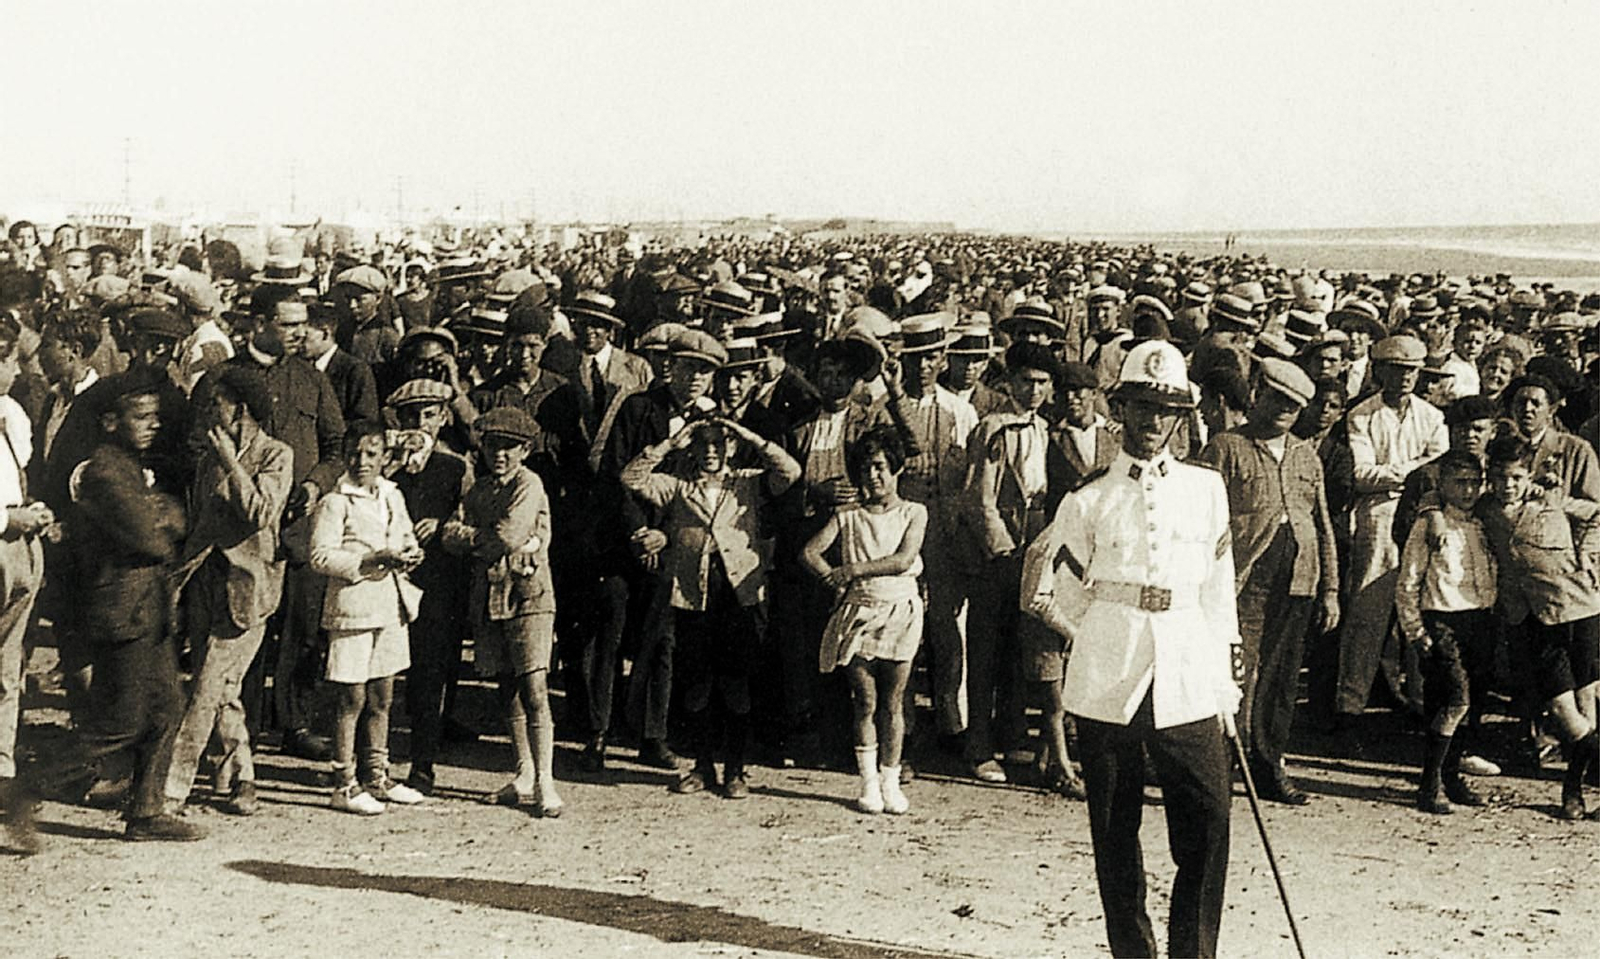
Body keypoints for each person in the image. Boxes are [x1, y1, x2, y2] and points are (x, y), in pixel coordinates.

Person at [1022, 339, 1240, 959]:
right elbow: (1054, 590)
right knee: (1115, 834)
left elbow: (1218, 594)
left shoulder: (1206, 490)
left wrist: (1227, 684)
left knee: (1207, 822)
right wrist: (1096, 636)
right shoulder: (1088, 498)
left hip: (1189, 675)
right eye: (1141, 406)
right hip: (1107, 681)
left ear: (1180, 417)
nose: (1152, 422)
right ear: (1120, 409)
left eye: (1164, 409)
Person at [3, 369, 202, 851]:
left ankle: (146, 811)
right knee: (119, 724)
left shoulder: (130, 467)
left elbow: (169, 520)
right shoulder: (106, 470)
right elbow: (153, 538)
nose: (152, 425)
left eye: (155, 416)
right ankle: (19, 791)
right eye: (141, 416)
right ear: (111, 421)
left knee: (167, 710)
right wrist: (166, 513)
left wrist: (165, 513)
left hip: (147, 610)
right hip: (122, 611)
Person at [622, 416, 800, 799]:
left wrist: (750, 433)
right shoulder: (679, 487)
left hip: (739, 592)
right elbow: (631, 478)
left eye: (719, 444)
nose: (711, 452)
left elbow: (790, 470)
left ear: (731, 447)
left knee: (736, 681)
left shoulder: (748, 481)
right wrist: (671, 442)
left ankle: (735, 769)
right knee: (697, 683)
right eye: (703, 444)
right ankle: (702, 766)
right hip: (693, 591)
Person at [1197, 358, 1339, 804]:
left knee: (1280, 679)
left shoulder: (1305, 454)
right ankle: (1217, 768)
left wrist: (1330, 588)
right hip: (1242, 580)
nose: (1283, 410)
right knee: (1235, 673)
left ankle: (1268, 764)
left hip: (1297, 579)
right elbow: (1202, 519)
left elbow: (1322, 524)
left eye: (1293, 406)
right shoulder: (1225, 447)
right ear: (1257, 393)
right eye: (1276, 398)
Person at [163, 366, 291, 818]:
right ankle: (242, 778)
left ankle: (172, 789)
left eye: (217, 401)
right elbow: (201, 526)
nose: (209, 409)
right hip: (204, 582)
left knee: (205, 687)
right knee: (222, 689)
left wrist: (234, 464)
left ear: (240, 408)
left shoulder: (277, 455)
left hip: (247, 589)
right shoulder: (206, 460)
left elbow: (260, 512)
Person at [442, 407, 564, 818]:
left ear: (525, 450)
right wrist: (483, 538)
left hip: (528, 596)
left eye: (509, 447)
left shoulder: (529, 485)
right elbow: (449, 534)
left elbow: (509, 536)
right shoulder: (479, 490)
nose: (500, 454)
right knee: (506, 687)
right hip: (490, 598)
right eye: (492, 446)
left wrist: (480, 538)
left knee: (534, 688)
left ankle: (546, 780)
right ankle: (523, 772)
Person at [804, 426, 927, 814]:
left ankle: (892, 781)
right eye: (865, 469)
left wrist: (851, 570)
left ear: (896, 469)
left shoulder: (914, 512)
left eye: (879, 468)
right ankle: (869, 783)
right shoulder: (848, 516)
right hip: (859, 613)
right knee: (865, 700)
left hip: (902, 613)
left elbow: (903, 560)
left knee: (894, 701)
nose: (872, 477)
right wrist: (833, 580)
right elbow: (809, 552)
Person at [309, 423, 427, 815]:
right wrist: (369, 560)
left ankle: (377, 775)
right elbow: (320, 556)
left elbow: (405, 536)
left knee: (383, 694)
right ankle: (344, 781)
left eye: (371, 454)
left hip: (389, 606)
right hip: (352, 608)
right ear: (345, 456)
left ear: (384, 457)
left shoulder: (392, 495)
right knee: (351, 696)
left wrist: (410, 553)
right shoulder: (335, 502)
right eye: (355, 454)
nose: (362, 462)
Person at [1479, 436, 1600, 819]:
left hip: (1579, 610)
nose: (1508, 485)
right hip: (1530, 619)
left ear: (1527, 474)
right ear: (1489, 477)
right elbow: (1439, 499)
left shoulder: (1551, 499)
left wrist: (1589, 552)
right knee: (1562, 710)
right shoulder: (1484, 508)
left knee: (1586, 704)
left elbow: (1597, 513)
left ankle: (1573, 791)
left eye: (1515, 477)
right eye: (1499, 477)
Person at [965, 341, 1067, 783]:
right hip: (999, 550)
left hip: (1033, 546)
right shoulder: (994, 428)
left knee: (1016, 647)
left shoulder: (1043, 428)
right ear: (1009, 384)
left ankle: (1010, 739)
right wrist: (1001, 548)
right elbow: (980, 498)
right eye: (1026, 382)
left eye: (1042, 383)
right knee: (985, 649)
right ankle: (978, 747)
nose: (1034, 391)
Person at [1336, 335, 1447, 726]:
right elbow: (1363, 474)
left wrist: (1400, 474)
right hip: (1379, 518)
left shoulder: (1432, 417)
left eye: (1411, 371)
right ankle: (1350, 702)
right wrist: (1413, 471)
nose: (1404, 378)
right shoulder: (1361, 415)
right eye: (1396, 370)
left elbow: (1440, 470)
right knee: (1368, 609)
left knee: (1420, 609)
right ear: (1380, 371)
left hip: (1422, 514)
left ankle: (1419, 698)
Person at [1394, 450, 1498, 814]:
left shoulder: (1484, 520)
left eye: (1474, 482)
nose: (1468, 490)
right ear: (1442, 485)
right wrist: (1416, 631)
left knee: (1471, 704)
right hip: (1442, 619)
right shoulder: (1428, 524)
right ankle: (1429, 783)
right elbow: (1408, 582)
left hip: (1480, 619)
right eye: (1459, 483)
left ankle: (1451, 777)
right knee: (1455, 699)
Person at [384, 378, 473, 796]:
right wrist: (391, 465)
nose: (419, 423)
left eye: (429, 415)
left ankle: (423, 763)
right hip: (387, 577)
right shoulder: (384, 464)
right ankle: (373, 762)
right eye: (410, 415)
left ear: (443, 418)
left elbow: (471, 518)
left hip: (436, 580)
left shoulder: (457, 466)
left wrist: (442, 526)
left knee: (428, 672)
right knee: (379, 673)